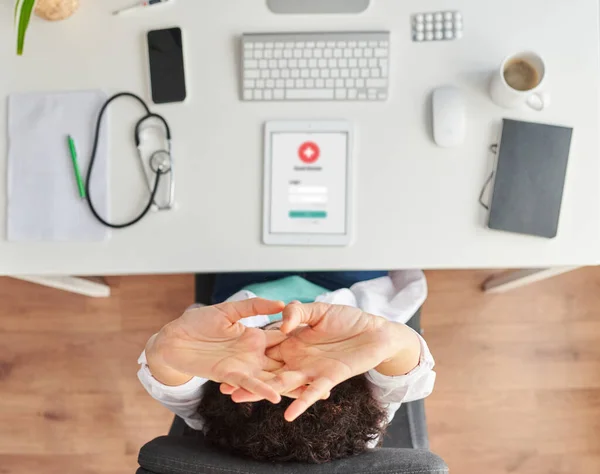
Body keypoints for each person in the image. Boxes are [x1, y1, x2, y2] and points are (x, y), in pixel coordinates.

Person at [139, 271, 436, 464]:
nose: (286, 345)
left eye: (269, 363)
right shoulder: (363, 425)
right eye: (297, 366)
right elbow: (408, 368)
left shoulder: (211, 421)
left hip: (248, 280)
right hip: (350, 282)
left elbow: (171, 379)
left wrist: (164, 347)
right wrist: (385, 336)